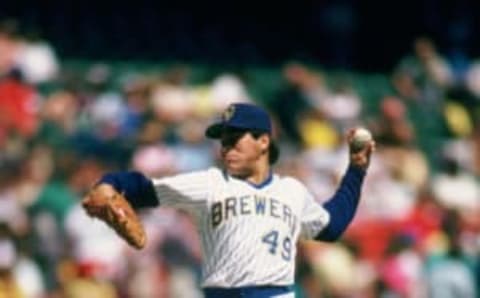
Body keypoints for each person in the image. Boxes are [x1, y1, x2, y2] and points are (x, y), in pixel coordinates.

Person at [83, 103, 375, 298]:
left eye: (235, 138)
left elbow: (332, 226)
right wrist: (109, 183)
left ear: (263, 141)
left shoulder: (292, 191)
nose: (227, 147)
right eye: (223, 141)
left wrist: (357, 171)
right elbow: (143, 187)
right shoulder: (210, 183)